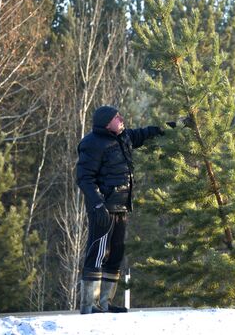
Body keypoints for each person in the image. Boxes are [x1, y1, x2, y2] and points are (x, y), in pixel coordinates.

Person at [76, 105, 187, 314]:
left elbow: (149, 133)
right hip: (103, 208)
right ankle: (88, 306)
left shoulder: (124, 137)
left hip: (121, 206)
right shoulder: (92, 144)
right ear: (106, 123)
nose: (121, 118)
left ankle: (105, 303)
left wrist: (179, 125)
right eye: (116, 117)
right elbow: (84, 178)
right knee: (98, 253)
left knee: (116, 253)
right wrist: (98, 204)